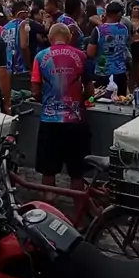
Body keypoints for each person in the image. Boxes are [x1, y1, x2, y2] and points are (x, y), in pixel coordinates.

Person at [32, 23, 94, 194]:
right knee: (77, 174)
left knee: (48, 172)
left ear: (50, 38)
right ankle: (78, 207)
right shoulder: (81, 56)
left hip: (49, 120)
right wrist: (82, 100)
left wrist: (46, 101)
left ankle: (49, 204)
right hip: (76, 121)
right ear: (69, 37)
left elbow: (35, 91)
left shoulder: (40, 57)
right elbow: (90, 92)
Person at [87, 1, 130, 96]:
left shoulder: (98, 30)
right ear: (119, 14)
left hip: (102, 72)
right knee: (121, 100)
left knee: (101, 101)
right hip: (120, 71)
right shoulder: (124, 29)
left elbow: (90, 52)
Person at [2, 0, 31, 90]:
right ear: (22, 12)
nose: (28, 15)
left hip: (7, 69)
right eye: (27, 12)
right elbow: (24, 46)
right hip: (20, 69)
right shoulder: (23, 24)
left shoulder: (5, 27)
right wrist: (29, 64)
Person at [128, 2, 139, 87]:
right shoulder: (128, 21)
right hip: (131, 48)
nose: (136, 10)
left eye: (138, 9)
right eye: (134, 8)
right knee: (131, 71)